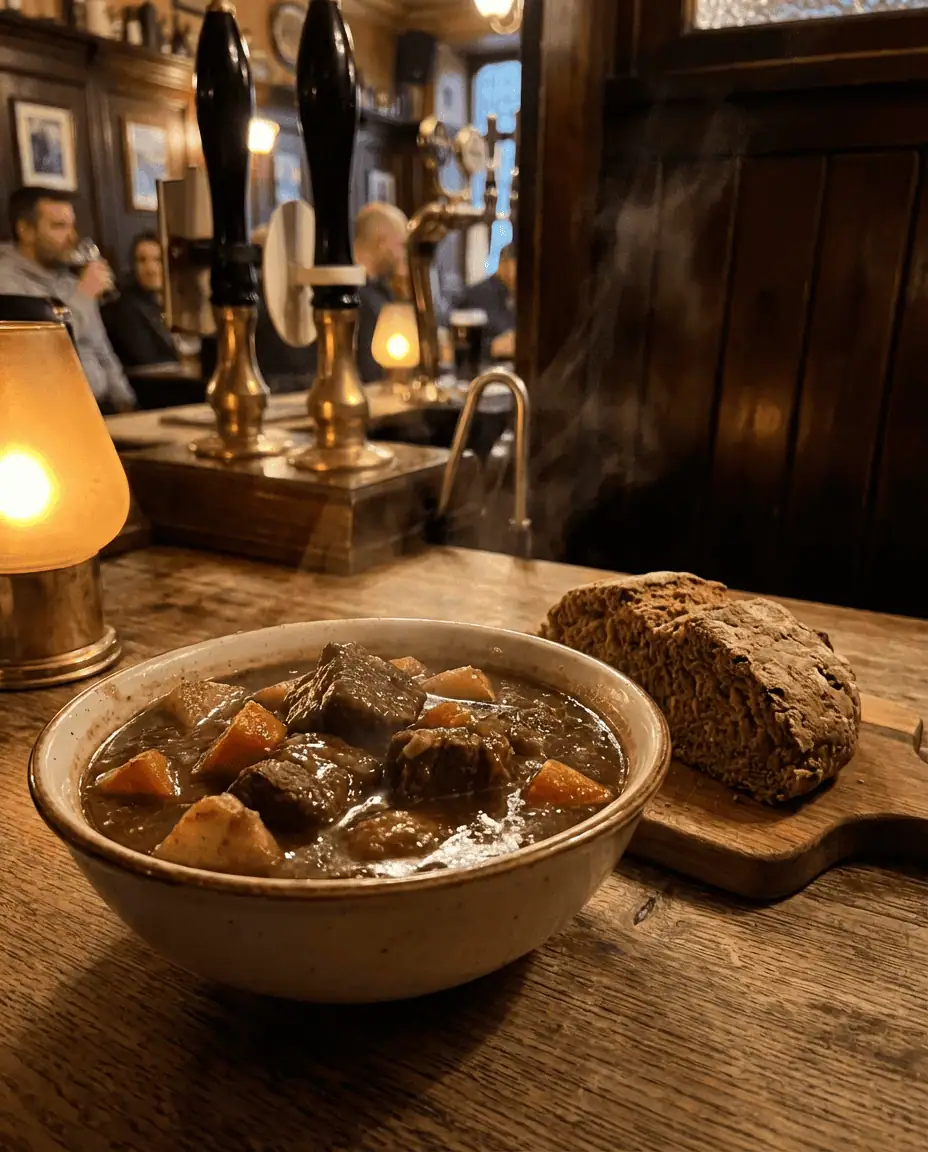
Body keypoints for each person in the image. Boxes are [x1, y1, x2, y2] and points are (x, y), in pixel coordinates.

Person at [0, 187, 136, 411]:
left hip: (104, 411)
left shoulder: (70, 282)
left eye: (72, 225)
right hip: (51, 415)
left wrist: (128, 405)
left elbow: (102, 350)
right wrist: (84, 296)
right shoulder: (6, 284)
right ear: (25, 230)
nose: (72, 236)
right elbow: (46, 349)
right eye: (59, 226)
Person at [101, 231, 179, 370]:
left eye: (158, 260)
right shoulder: (125, 308)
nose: (150, 269)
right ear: (133, 266)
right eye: (142, 260)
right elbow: (149, 361)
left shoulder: (174, 302)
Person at [353, 202, 410, 383]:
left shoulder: (378, 293)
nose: (404, 255)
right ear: (381, 244)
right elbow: (374, 375)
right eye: (401, 245)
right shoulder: (364, 301)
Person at [454, 244, 517, 362]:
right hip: (484, 370)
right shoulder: (476, 295)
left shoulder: (525, 296)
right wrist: (492, 348)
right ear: (504, 263)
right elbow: (457, 348)